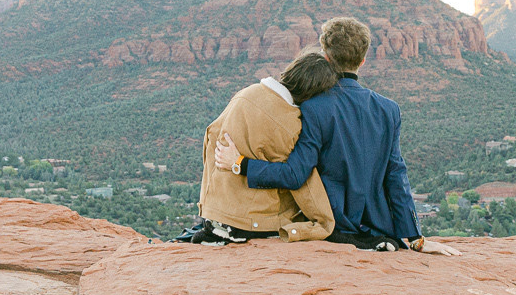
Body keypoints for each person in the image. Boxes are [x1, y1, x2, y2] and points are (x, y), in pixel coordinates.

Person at [213, 16, 424, 252]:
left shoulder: (313, 107)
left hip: (335, 225)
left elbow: (295, 174)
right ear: (362, 61)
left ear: (326, 57)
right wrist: (414, 236)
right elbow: (396, 176)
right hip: (380, 228)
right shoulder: (389, 109)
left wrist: (240, 164)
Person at [178, 50, 340, 244]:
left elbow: (211, 135)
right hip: (249, 221)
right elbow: (299, 179)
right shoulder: (290, 123)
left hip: (216, 212)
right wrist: (323, 222)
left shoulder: (247, 93)